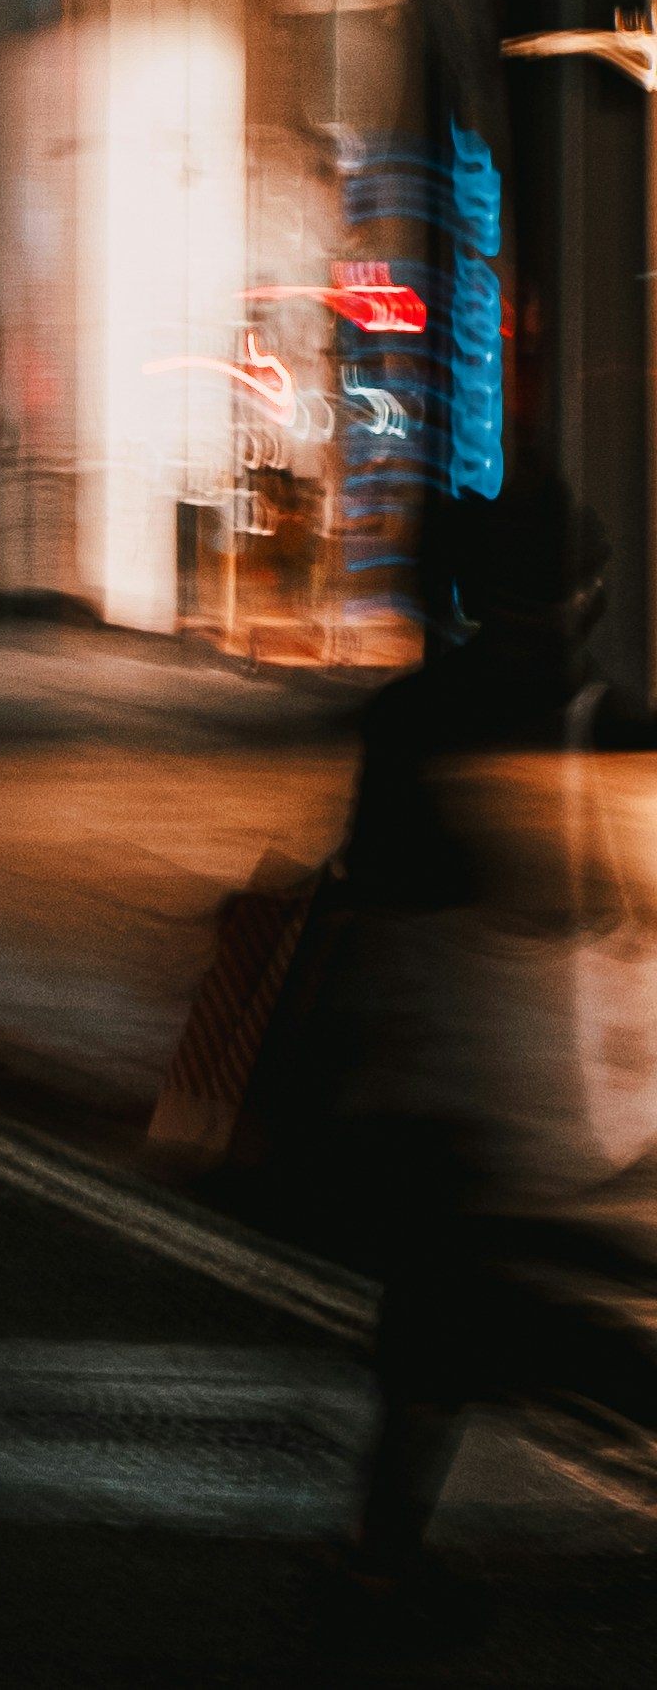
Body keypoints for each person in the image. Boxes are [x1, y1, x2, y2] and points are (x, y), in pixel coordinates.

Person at [274, 478, 657, 1588]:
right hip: (588, 1087)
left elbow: (367, 897)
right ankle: (388, 1549)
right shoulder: (623, 723)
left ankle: (385, 1544)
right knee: (554, 1303)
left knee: (438, 1313)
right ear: (586, 592)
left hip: (440, 1070)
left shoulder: (406, 720)